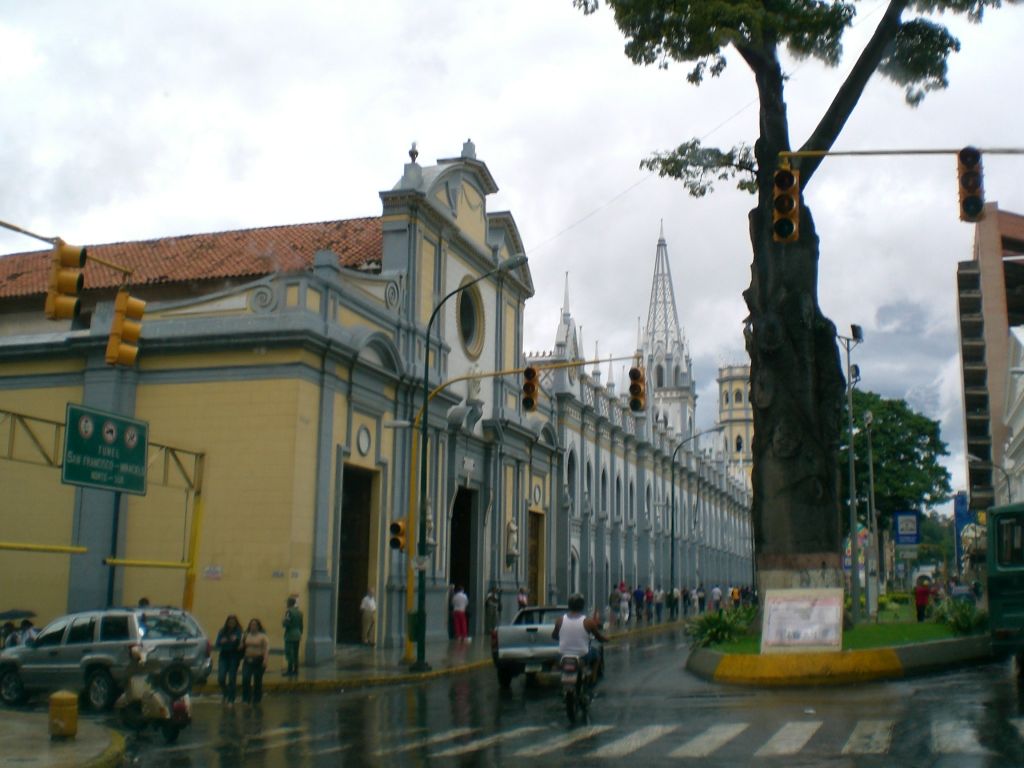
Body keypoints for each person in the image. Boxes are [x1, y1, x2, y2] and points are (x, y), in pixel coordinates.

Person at [552, 593, 608, 679]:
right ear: (582, 606)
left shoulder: (560, 620)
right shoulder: (588, 622)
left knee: (555, 661)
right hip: (583, 654)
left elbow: (554, 636)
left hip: (563, 654)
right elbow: (598, 637)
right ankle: (593, 678)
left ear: (569, 605)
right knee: (597, 656)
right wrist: (606, 639)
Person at [240, 618, 270, 705]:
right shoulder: (246, 635)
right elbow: (241, 647)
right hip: (248, 659)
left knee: (257, 680)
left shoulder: (263, 636)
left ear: (258, 626)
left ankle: (257, 698)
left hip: (258, 660)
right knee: (246, 678)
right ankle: (246, 698)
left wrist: (265, 660)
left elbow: (266, 649)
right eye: (251, 625)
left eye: (255, 625)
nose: (253, 626)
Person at [215, 614, 243, 704]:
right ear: (227, 622)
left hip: (234, 656)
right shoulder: (222, 631)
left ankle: (231, 698)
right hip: (224, 655)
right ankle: (226, 693)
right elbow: (217, 644)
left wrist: (236, 640)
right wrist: (221, 642)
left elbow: (241, 643)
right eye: (230, 622)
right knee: (221, 678)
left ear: (236, 623)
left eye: (233, 622)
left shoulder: (238, 631)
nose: (231, 623)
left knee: (232, 678)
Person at [282, 596, 303, 675]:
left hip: (290, 634)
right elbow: (301, 625)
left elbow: (286, 623)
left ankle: (290, 670)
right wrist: (300, 633)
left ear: (289, 603)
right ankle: (296, 670)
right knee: (295, 653)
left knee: (289, 652)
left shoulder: (288, 612)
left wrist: (283, 622)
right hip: (297, 634)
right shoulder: (299, 612)